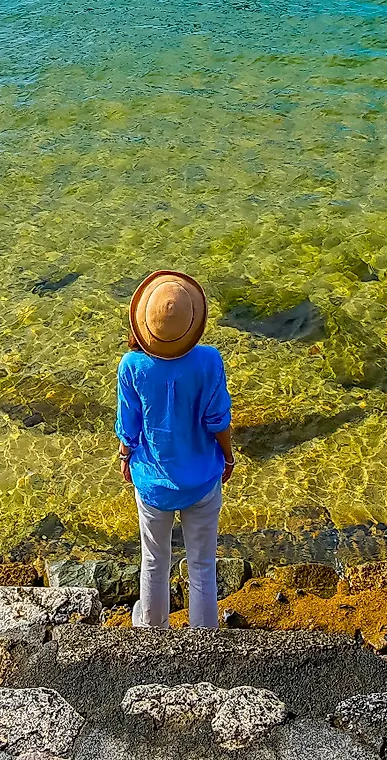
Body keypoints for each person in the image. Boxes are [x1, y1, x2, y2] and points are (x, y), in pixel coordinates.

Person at [116, 269, 235, 628]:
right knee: (202, 565)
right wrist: (228, 457)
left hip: (154, 482)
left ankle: (153, 636)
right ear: (192, 323)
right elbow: (219, 420)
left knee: (154, 561)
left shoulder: (132, 366)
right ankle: (204, 641)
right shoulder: (209, 361)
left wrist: (125, 458)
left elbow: (129, 426)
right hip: (201, 479)